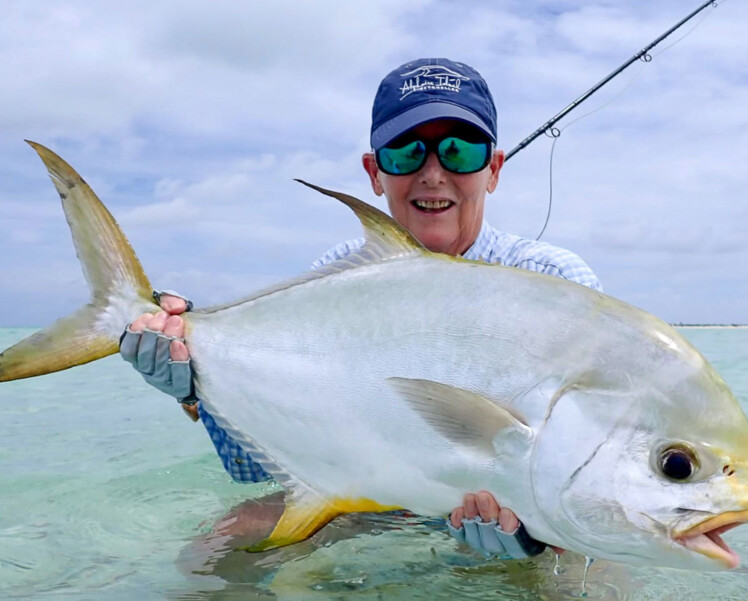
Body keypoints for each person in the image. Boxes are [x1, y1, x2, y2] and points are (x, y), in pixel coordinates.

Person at [121, 57, 601, 560]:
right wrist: (196, 381)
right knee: (220, 547)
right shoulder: (336, 277)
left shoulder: (554, 280)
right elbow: (252, 471)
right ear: (375, 173)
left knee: (596, 566)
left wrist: (539, 538)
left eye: (459, 152)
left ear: (493, 169)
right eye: (405, 154)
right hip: (367, 505)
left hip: (512, 513)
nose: (433, 174)